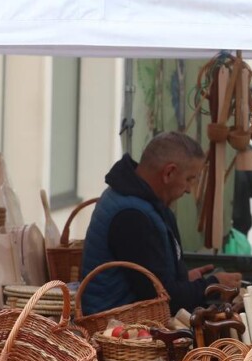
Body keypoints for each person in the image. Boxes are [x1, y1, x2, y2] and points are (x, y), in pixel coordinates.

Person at [80, 132, 241, 316]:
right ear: (169, 173)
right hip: (116, 330)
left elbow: (150, 280)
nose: (189, 189)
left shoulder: (137, 200)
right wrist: (210, 285)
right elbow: (161, 299)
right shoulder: (132, 216)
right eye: (189, 179)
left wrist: (184, 279)